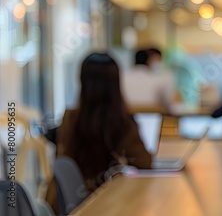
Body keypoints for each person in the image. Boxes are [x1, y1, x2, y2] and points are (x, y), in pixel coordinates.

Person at [46, 53, 151, 213]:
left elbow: (63, 161)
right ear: (116, 83)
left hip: (70, 204)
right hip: (113, 204)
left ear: (81, 80)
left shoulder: (71, 118)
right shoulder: (122, 122)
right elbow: (144, 163)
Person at [122, 48, 175, 112]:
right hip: (153, 116)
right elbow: (168, 104)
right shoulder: (157, 79)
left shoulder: (123, 77)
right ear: (149, 61)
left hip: (127, 116)